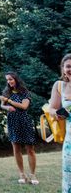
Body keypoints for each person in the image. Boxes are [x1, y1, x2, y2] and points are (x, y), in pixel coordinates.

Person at [0, 71, 38, 185]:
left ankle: (32, 174)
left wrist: (9, 101)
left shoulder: (24, 92)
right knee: (16, 148)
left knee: (30, 149)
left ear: (16, 79)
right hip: (12, 122)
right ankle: (21, 174)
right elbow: (2, 105)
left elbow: (24, 106)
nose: (9, 81)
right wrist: (7, 108)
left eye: (10, 79)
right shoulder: (6, 92)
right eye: (7, 80)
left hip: (24, 121)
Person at [47, 53, 71, 192]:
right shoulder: (59, 85)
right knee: (69, 176)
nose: (70, 69)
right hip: (70, 140)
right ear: (63, 68)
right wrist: (56, 114)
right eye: (68, 66)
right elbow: (52, 108)